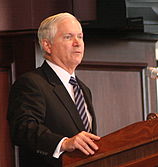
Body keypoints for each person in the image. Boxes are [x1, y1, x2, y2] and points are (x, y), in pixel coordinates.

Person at [7, 12, 100, 167]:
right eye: (68, 37)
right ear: (47, 45)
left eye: (80, 36)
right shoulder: (32, 83)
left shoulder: (83, 89)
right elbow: (23, 129)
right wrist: (63, 143)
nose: (77, 43)